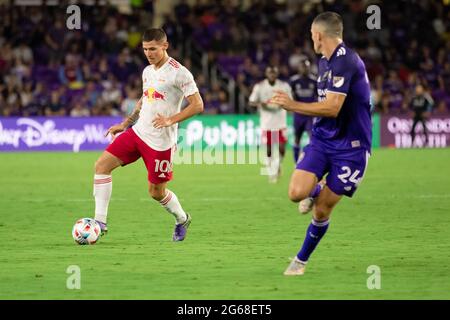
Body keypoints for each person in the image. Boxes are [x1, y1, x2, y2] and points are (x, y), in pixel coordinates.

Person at [270, 12, 372, 275]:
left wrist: (292, 105)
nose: (310, 39)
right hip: (323, 140)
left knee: (323, 210)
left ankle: (300, 260)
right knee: (296, 193)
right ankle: (315, 190)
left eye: (311, 35)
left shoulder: (347, 61)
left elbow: (333, 107)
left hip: (352, 148)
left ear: (318, 35)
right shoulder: (324, 62)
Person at [92, 28, 204, 241]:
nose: (149, 53)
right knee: (101, 166)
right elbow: (145, 99)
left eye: (153, 49)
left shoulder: (180, 73)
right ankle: (100, 222)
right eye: (145, 49)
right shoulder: (147, 71)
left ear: (165, 46)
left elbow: (198, 105)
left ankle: (182, 218)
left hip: (161, 143)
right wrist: (125, 124)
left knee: (156, 192)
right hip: (138, 132)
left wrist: (170, 120)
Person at [249, 66, 293, 183]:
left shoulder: (284, 86)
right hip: (267, 123)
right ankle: (270, 169)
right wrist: (260, 104)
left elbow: (290, 101)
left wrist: (283, 103)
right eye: (270, 73)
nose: (272, 75)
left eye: (274, 73)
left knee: (282, 148)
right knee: (269, 149)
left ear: (277, 74)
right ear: (266, 73)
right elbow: (251, 101)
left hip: (280, 122)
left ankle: (278, 164)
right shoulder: (260, 86)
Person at [289, 58, 317, 163]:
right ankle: (296, 163)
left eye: (307, 66)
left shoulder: (314, 81)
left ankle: (311, 161)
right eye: (303, 66)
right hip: (298, 115)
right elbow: (290, 94)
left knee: (312, 139)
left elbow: (319, 96)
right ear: (299, 68)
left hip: (310, 115)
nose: (305, 68)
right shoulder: (294, 81)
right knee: (297, 138)